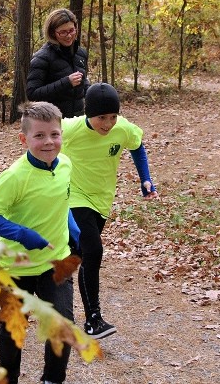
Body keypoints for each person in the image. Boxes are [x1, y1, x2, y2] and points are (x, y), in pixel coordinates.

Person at [0, 101, 80, 384]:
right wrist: (24, 234)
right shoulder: (15, 176)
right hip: (15, 266)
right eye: (39, 136)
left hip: (55, 261)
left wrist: (75, 232)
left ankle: (52, 379)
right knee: (14, 327)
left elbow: (63, 202)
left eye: (54, 134)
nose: (49, 142)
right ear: (24, 139)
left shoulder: (66, 165)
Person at [61, 82, 158, 339]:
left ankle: (43, 290)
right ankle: (93, 319)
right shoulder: (69, 129)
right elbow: (41, 137)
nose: (108, 123)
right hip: (73, 197)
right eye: (101, 117)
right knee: (92, 250)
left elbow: (137, 145)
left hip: (102, 201)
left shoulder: (122, 128)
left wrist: (145, 178)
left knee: (72, 255)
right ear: (87, 113)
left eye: (113, 116)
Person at [26, 8, 90, 118]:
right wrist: (66, 82)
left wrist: (96, 92)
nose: (69, 36)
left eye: (71, 30)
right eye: (63, 32)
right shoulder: (42, 58)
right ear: (53, 33)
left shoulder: (81, 53)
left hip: (78, 120)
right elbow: (32, 94)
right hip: (52, 122)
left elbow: (83, 85)